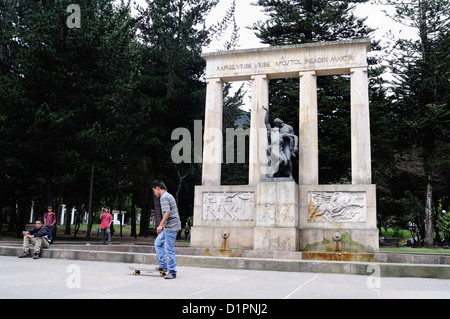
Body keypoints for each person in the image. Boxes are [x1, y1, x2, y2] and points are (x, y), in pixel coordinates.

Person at [152, 180, 181, 279]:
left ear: (157, 188)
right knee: (158, 243)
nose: (155, 194)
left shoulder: (164, 197)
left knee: (169, 248)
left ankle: (172, 271)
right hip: (169, 226)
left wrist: (160, 225)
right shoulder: (167, 196)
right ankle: (163, 266)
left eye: (154, 191)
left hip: (172, 227)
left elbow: (167, 212)